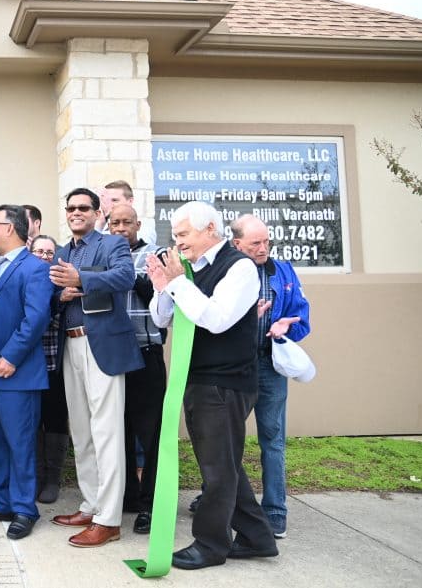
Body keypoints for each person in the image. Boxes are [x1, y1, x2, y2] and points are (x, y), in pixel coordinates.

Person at [148, 201, 278, 570]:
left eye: (183, 234)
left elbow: (216, 320)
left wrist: (177, 282)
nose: (178, 242)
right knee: (224, 464)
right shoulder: (189, 270)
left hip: (225, 384)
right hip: (198, 380)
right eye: (175, 236)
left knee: (217, 470)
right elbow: (162, 319)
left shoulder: (239, 268)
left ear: (210, 230)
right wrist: (164, 286)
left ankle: (210, 544)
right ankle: (256, 537)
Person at [48, 187, 143, 549]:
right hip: (71, 344)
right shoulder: (61, 251)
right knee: (82, 431)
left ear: (96, 212)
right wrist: (62, 295)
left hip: (101, 343)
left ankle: (109, 519)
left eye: (83, 208)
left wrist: (81, 281)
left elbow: (124, 279)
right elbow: (52, 295)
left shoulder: (111, 244)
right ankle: (90, 505)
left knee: (106, 432)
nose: (76, 212)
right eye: (70, 207)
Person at [0, 205, 53, 541]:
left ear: (12, 228)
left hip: (13, 372)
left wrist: (12, 356)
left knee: (20, 443)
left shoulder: (34, 268)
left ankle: (24, 509)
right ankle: (1, 501)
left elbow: (35, 319)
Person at [231, 214, 311, 539]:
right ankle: (219, 497)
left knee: (273, 441)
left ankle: (275, 511)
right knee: (224, 439)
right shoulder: (227, 275)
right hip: (234, 366)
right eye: (255, 243)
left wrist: (285, 328)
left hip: (270, 366)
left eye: (266, 241)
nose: (263, 248)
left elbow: (303, 318)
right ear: (237, 244)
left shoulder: (284, 273)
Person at [108, 204, 166, 535]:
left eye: (126, 222)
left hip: (145, 351)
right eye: (114, 222)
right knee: (119, 430)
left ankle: (150, 504)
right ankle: (129, 496)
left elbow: (157, 294)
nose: (120, 227)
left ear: (137, 224)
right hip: (112, 353)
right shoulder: (101, 252)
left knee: (151, 432)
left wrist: (124, 273)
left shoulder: (154, 255)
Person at [29, 234, 69, 504]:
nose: (44, 256)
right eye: (39, 251)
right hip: (28, 366)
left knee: (54, 421)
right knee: (32, 423)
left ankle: (53, 478)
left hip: (55, 364)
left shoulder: (62, 286)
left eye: (49, 252)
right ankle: (37, 476)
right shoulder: (26, 282)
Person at [95, 180, 157, 245]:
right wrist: (99, 225)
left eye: (115, 200)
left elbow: (139, 248)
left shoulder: (145, 226)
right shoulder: (101, 226)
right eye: (106, 201)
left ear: (130, 201)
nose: (110, 205)